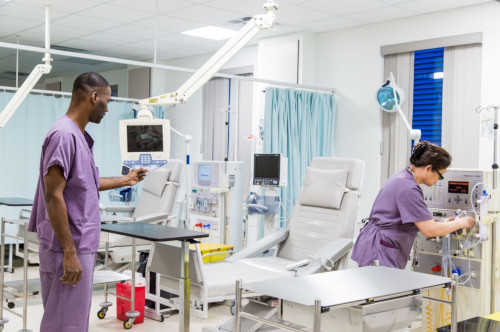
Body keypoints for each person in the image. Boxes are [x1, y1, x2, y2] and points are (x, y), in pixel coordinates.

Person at [28, 72, 147, 332]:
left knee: (71, 321)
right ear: (94, 97)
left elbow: (85, 183)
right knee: (64, 325)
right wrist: (70, 253)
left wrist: (126, 180)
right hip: (67, 249)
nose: (108, 108)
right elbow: (53, 195)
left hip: (77, 245)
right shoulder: (64, 136)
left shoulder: (78, 136)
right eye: (107, 101)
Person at [351, 141, 475, 269]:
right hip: (380, 250)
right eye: (440, 175)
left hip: (375, 244)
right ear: (428, 169)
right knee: (383, 287)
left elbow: (417, 221)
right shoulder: (408, 188)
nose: (439, 180)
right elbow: (429, 230)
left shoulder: (403, 177)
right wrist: (463, 222)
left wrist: (444, 223)